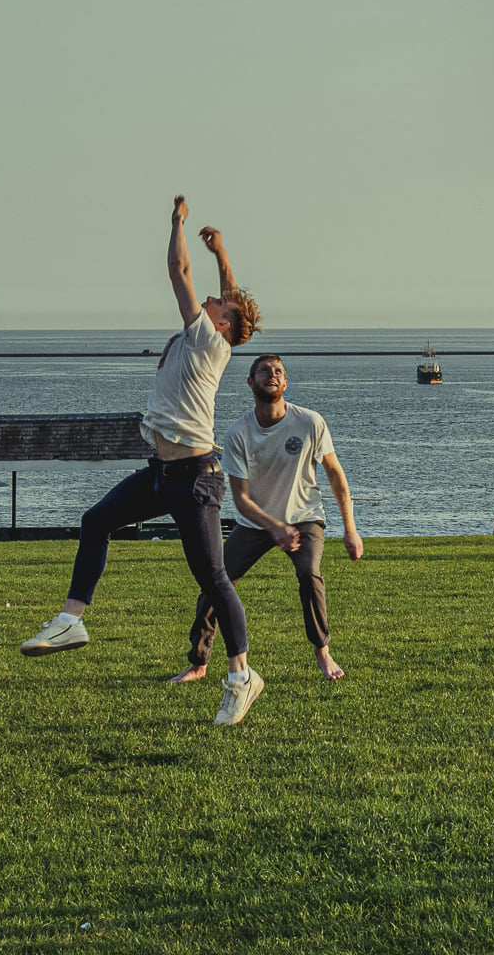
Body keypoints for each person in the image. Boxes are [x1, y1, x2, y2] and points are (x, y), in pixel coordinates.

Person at [20, 198, 267, 727]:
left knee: (214, 577)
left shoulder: (206, 338)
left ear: (223, 325)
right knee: (96, 521)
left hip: (196, 480)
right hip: (161, 475)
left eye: (219, 305)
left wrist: (176, 223)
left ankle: (242, 675)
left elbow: (178, 270)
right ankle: (71, 620)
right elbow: (230, 296)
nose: (211, 300)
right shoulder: (207, 331)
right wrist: (223, 252)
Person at [186, 352, 364, 683]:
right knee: (215, 581)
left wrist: (350, 530)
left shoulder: (310, 422)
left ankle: (322, 651)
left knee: (309, 573)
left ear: (285, 382)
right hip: (256, 522)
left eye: (278, 371)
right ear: (250, 382)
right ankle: (199, 662)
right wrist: (275, 527)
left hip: (306, 517)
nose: (272, 374)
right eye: (264, 370)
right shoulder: (239, 432)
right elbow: (240, 498)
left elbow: (336, 474)